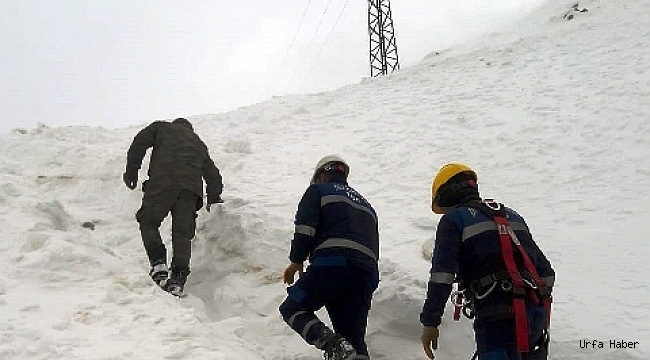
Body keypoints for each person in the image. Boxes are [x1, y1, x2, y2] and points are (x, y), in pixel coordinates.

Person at [420, 163, 555, 360]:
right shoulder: (512, 216)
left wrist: (430, 321)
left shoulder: (454, 219)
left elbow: (442, 276)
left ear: (446, 194)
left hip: (496, 316)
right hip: (534, 316)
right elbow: (547, 273)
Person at [279, 155, 380, 360]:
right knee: (354, 341)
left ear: (322, 175)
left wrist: (296, 259)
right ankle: (346, 349)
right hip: (365, 275)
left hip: (331, 267)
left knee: (292, 308)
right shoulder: (367, 206)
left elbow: (305, 229)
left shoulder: (318, 191)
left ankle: (332, 344)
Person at [122, 118, 223, 297]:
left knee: (148, 222)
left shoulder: (162, 127)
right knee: (182, 235)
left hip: (163, 183)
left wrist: (132, 170)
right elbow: (213, 174)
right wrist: (214, 197)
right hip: (190, 192)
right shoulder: (198, 144)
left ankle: (158, 262)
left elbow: (140, 141)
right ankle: (178, 277)